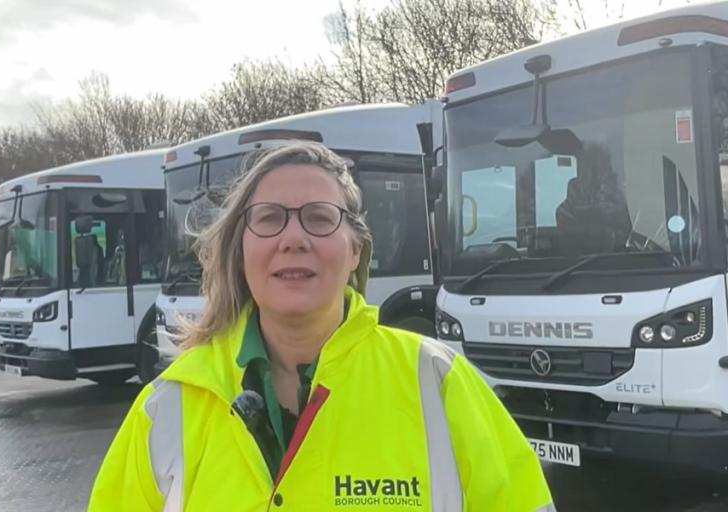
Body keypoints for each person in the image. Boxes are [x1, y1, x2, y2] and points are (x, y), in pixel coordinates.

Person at [88, 141, 555, 511]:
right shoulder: (169, 405)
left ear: (355, 251)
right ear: (241, 250)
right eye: (270, 219)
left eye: (318, 218)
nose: (294, 239)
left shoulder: (438, 382)